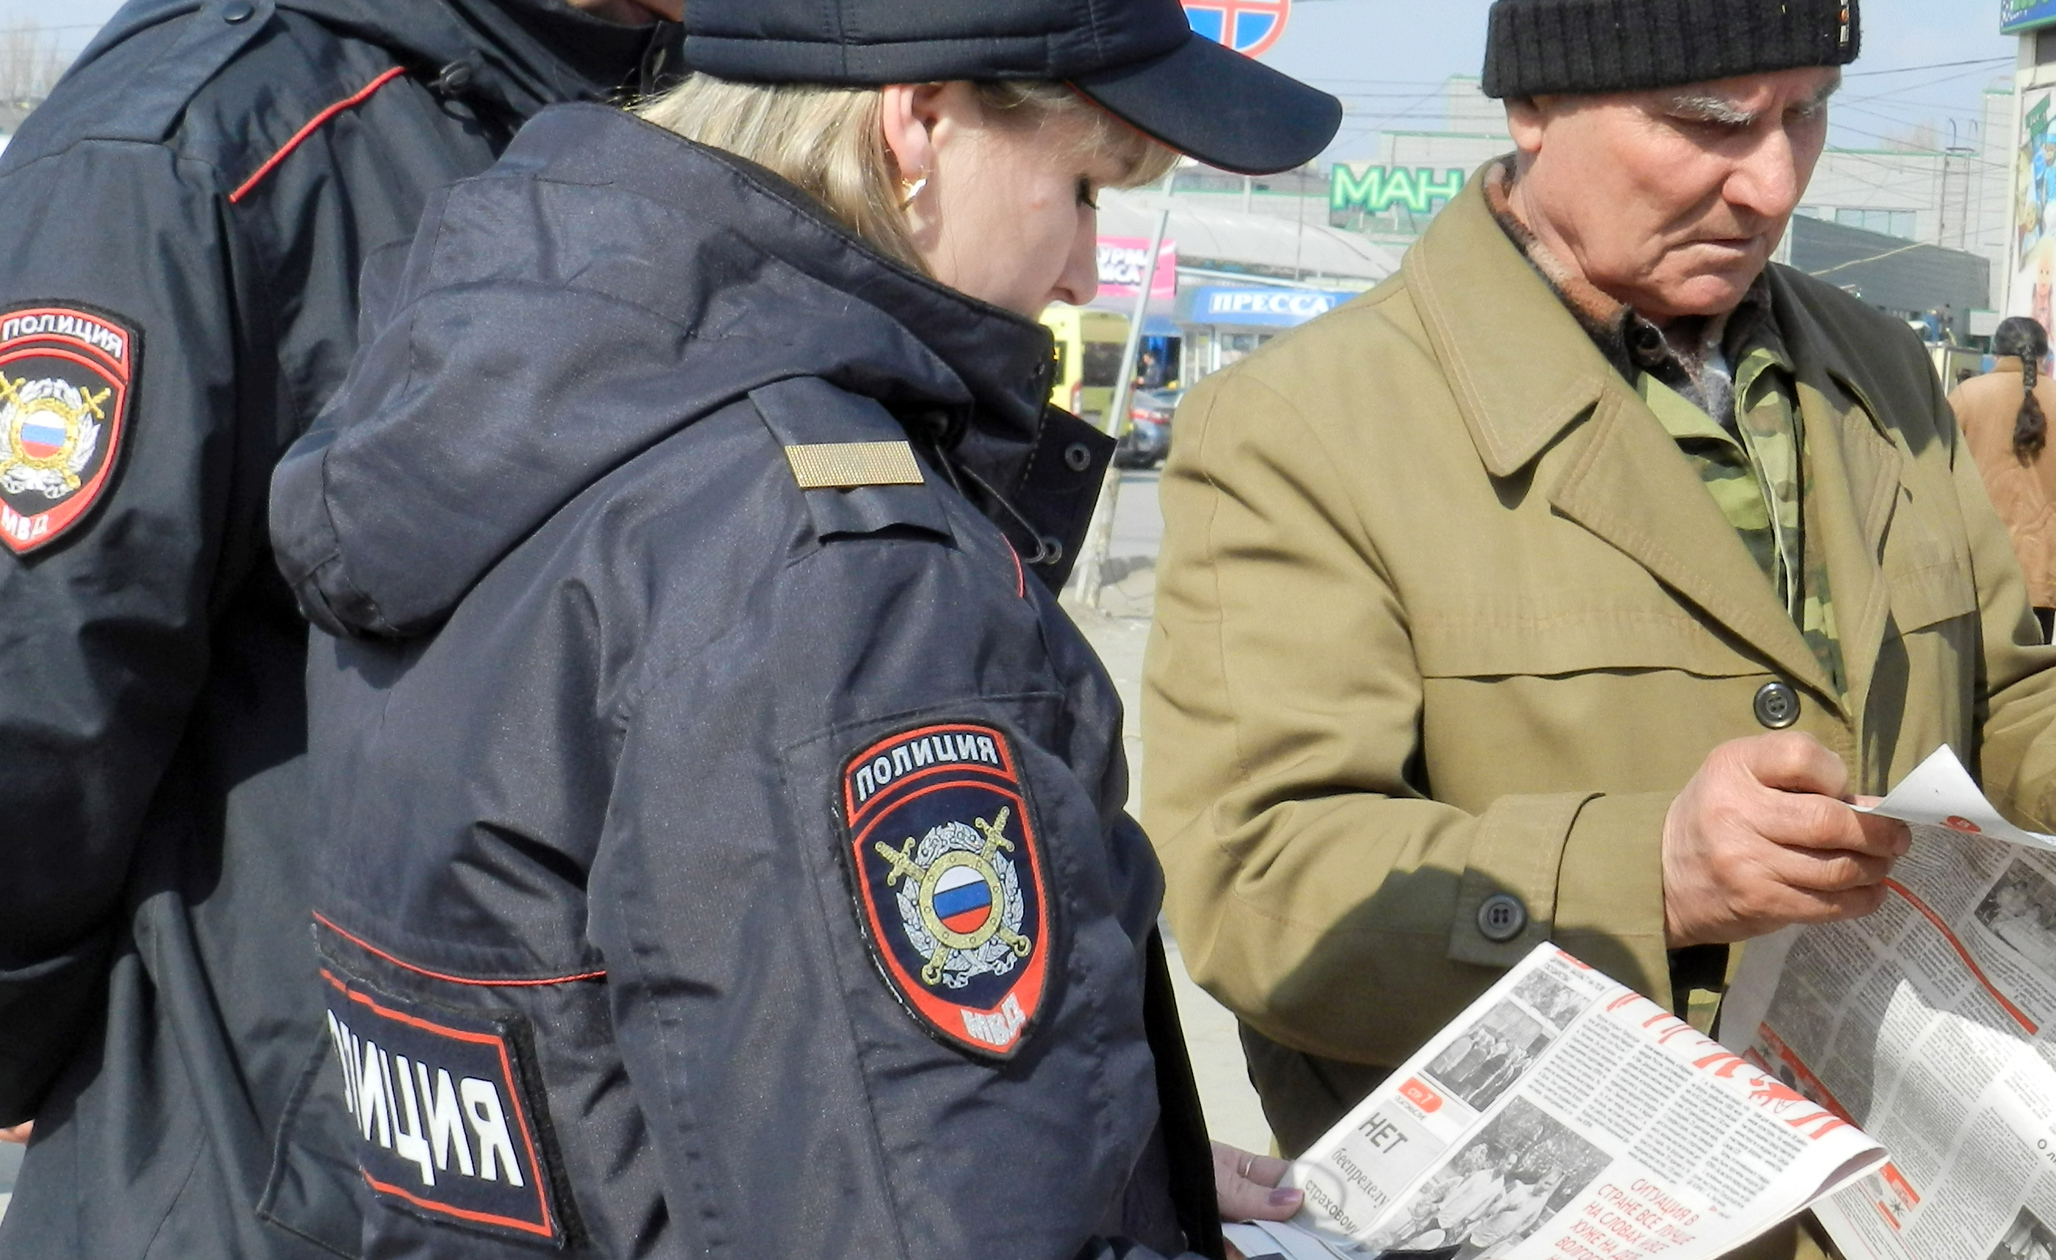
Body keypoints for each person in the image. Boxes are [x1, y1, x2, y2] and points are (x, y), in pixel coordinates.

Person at [266, 1, 1341, 1255]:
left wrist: (1124, 1179)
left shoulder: (526, 416)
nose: (1083, 276)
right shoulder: (836, 573)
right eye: (1083, 191)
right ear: (918, 122)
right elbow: (915, 1215)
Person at [1140, 0, 2056, 1222]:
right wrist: (1644, 873)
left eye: (1805, 113)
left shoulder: (1878, 370)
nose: (1770, 184)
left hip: (1885, 1190)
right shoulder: (1304, 424)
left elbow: (1999, 680)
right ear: (1531, 106)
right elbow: (1255, 885)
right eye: (1706, 121)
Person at [0, 1, 678, 1255]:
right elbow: (39, 676)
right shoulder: (196, 145)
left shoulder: (669, 116)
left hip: (584, 1150)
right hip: (258, 1160)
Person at [1949, 317, 2056, 643]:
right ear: (2045, 356)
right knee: (2034, 662)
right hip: (2043, 564)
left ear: (1995, 354)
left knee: (1978, 663)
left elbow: (1938, 469)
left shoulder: (1966, 396)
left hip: (1980, 559)